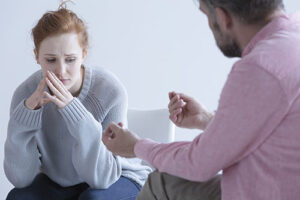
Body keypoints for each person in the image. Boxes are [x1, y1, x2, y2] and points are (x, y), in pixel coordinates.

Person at [102, 0, 300, 199]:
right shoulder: (293, 36)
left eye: (206, 15)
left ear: (222, 18)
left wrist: (136, 146)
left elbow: (199, 163)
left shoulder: (261, 67)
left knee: (159, 183)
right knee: (167, 183)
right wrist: (208, 120)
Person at [4, 3, 151, 200]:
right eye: (51, 60)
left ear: (83, 55)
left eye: (70, 59)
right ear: (37, 56)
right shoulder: (26, 94)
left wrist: (75, 112)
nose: (61, 70)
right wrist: (24, 119)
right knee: (18, 197)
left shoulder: (109, 90)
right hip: (60, 182)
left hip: (118, 176)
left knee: (92, 198)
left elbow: (102, 178)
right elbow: (21, 179)